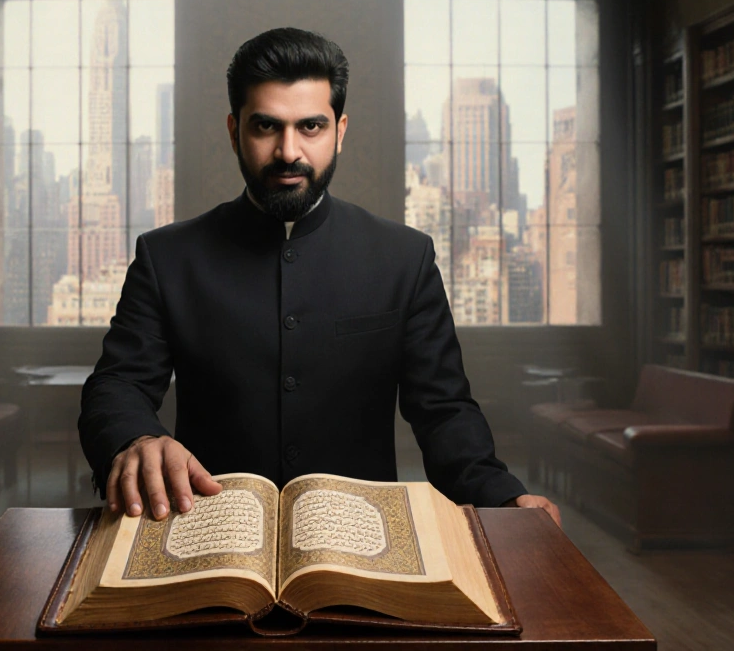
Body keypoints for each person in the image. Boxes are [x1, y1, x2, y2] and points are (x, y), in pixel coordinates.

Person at [78, 27, 560, 527]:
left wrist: (502, 497)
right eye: (266, 127)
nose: (289, 152)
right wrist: (136, 440)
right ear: (233, 129)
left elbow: (444, 410)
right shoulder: (167, 257)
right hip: (207, 537)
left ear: (340, 130)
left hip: (360, 542)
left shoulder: (405, 257)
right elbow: (118, 385)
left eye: (310, 127)